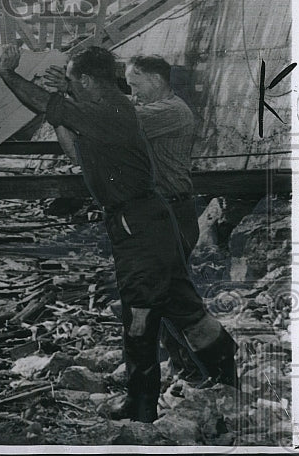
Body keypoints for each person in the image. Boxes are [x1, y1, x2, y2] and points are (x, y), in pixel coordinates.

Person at [0, 44, 236, 423]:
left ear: (88, 82)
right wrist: (63, 99)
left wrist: (9, 75)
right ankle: (226, 375)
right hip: (149, 220)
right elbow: (72, 143)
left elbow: (46, 103)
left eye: (76, 82)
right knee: (182, 306)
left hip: (138, 225)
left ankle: (140, 407)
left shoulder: (112, 111)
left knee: (140, 316)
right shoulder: (104, 111)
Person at [123, 55, 205, 384]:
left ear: (155, 81)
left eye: (135, 84)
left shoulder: (170, 112)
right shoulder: (160, 107)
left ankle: (200, 367)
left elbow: (118, 120)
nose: (132, 92)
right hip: (163, 214)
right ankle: (186, 365)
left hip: (172, 213)